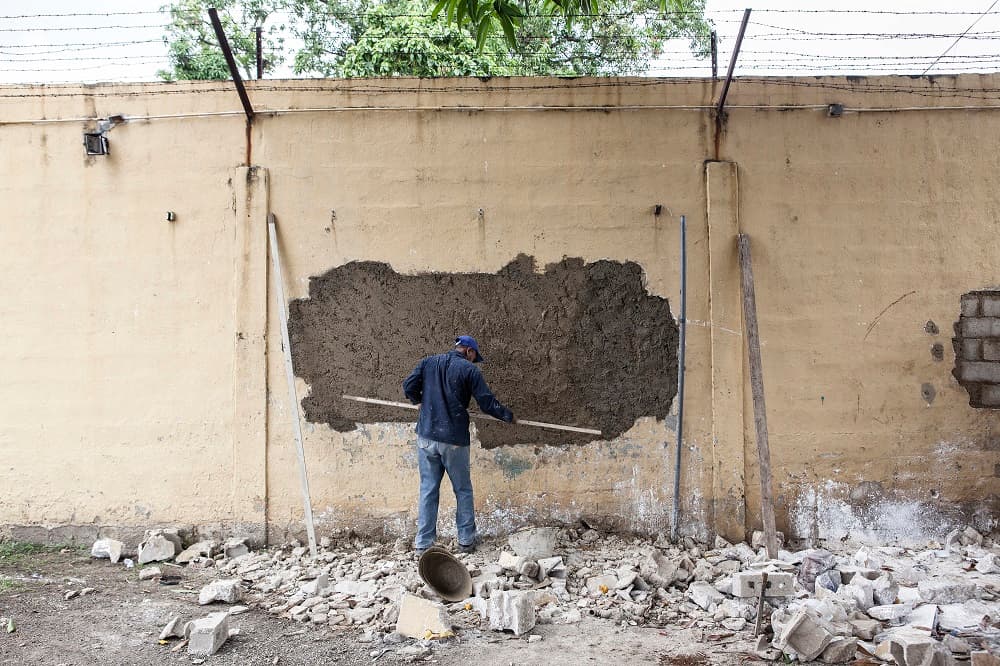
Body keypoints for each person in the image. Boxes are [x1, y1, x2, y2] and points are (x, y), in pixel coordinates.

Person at [402, 335, 514, 555]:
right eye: (474, 356)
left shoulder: (428, 362)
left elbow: (408, 386)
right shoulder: (470, 371)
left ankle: (423, 543)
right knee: (462, 490)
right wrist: (509, 416)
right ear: (469, 351)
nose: (474, 360)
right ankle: (465, 540)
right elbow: (486, 403)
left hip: (426, 438)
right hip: (453, 442)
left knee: (428, 490)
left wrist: (418, 401)